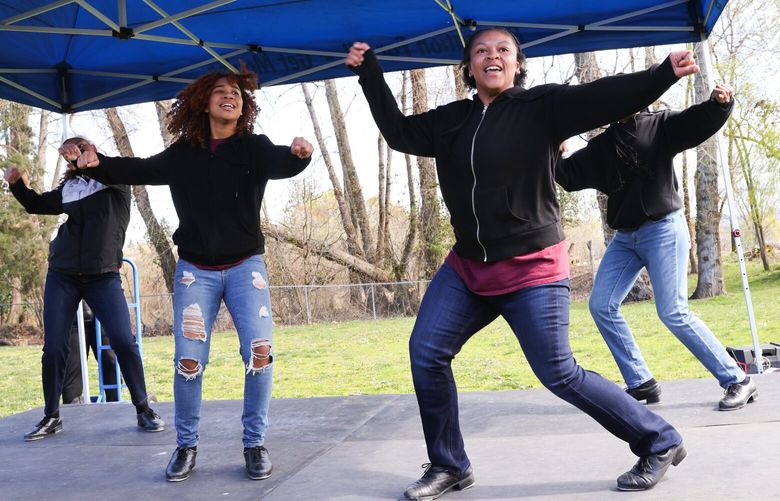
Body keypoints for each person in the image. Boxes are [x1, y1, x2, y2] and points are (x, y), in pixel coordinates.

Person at [346, 28, 699, 499]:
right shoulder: (452, 120)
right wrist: (369, 73)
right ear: (468, 67)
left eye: (502, 50)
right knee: (427, 353)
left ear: (517, 63)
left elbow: (602, 96)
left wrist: (660, 75)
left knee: (558, 372)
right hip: (468, 267)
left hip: (531, 267)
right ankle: (449, 465)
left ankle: (660, 439)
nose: (492, 56)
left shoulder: (542, 109)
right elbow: (398, 132)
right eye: (480, 51)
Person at [63, 67, 314, 482]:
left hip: (245, 268)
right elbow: (139, 169)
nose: (229, 96)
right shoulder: (184, 154)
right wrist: (97, 162)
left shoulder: (254, 148)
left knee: (260, 352)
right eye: (220, 91)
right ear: (204, 102)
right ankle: (186, 445)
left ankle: (254, 444)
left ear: (244, 105)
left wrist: (298, 155)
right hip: (195, 272)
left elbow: (282, 162)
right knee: (189, 361)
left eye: (236, 92)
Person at [555, 83, 758, 411]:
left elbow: (697, 122)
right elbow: (568, 176)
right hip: (626, 239)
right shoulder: (601, 146)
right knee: (601, 305)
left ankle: (738, 379)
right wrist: (555, 148)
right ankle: (641, 383)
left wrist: (719, 105)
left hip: (663, 230)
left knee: (673, 312)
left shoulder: (661, 124)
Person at [4, 137, 164, 442]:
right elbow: (36, 204)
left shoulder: (115, 182)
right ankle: (51, 416)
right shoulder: (69, 189)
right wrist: (17, 185)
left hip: (103, 276)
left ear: (91, 151)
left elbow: (102, 166)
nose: (73, 155)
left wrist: (84, 157)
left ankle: (143, 409)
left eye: (79, 148)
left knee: (123, 341)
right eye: (69, 153)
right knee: (53, 347)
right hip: (62, 275)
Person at [62, 304, 119, 404]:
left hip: (103, 313)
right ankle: (73, 414)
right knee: (72, 377)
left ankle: (115, 406)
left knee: (111, 362)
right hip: (73, 318)